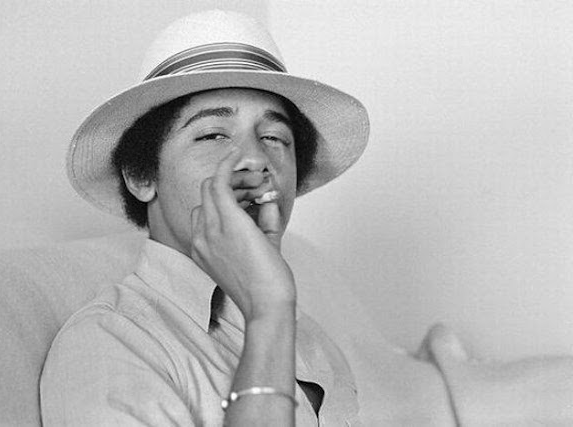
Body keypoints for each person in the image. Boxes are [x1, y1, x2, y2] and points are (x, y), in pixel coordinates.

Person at [41, 9, 573, 427]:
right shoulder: (109, 345)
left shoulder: (310, 338)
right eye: (213, 134)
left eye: (275, 138)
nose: (255, 160)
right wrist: (270, 312)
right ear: (142, 176)